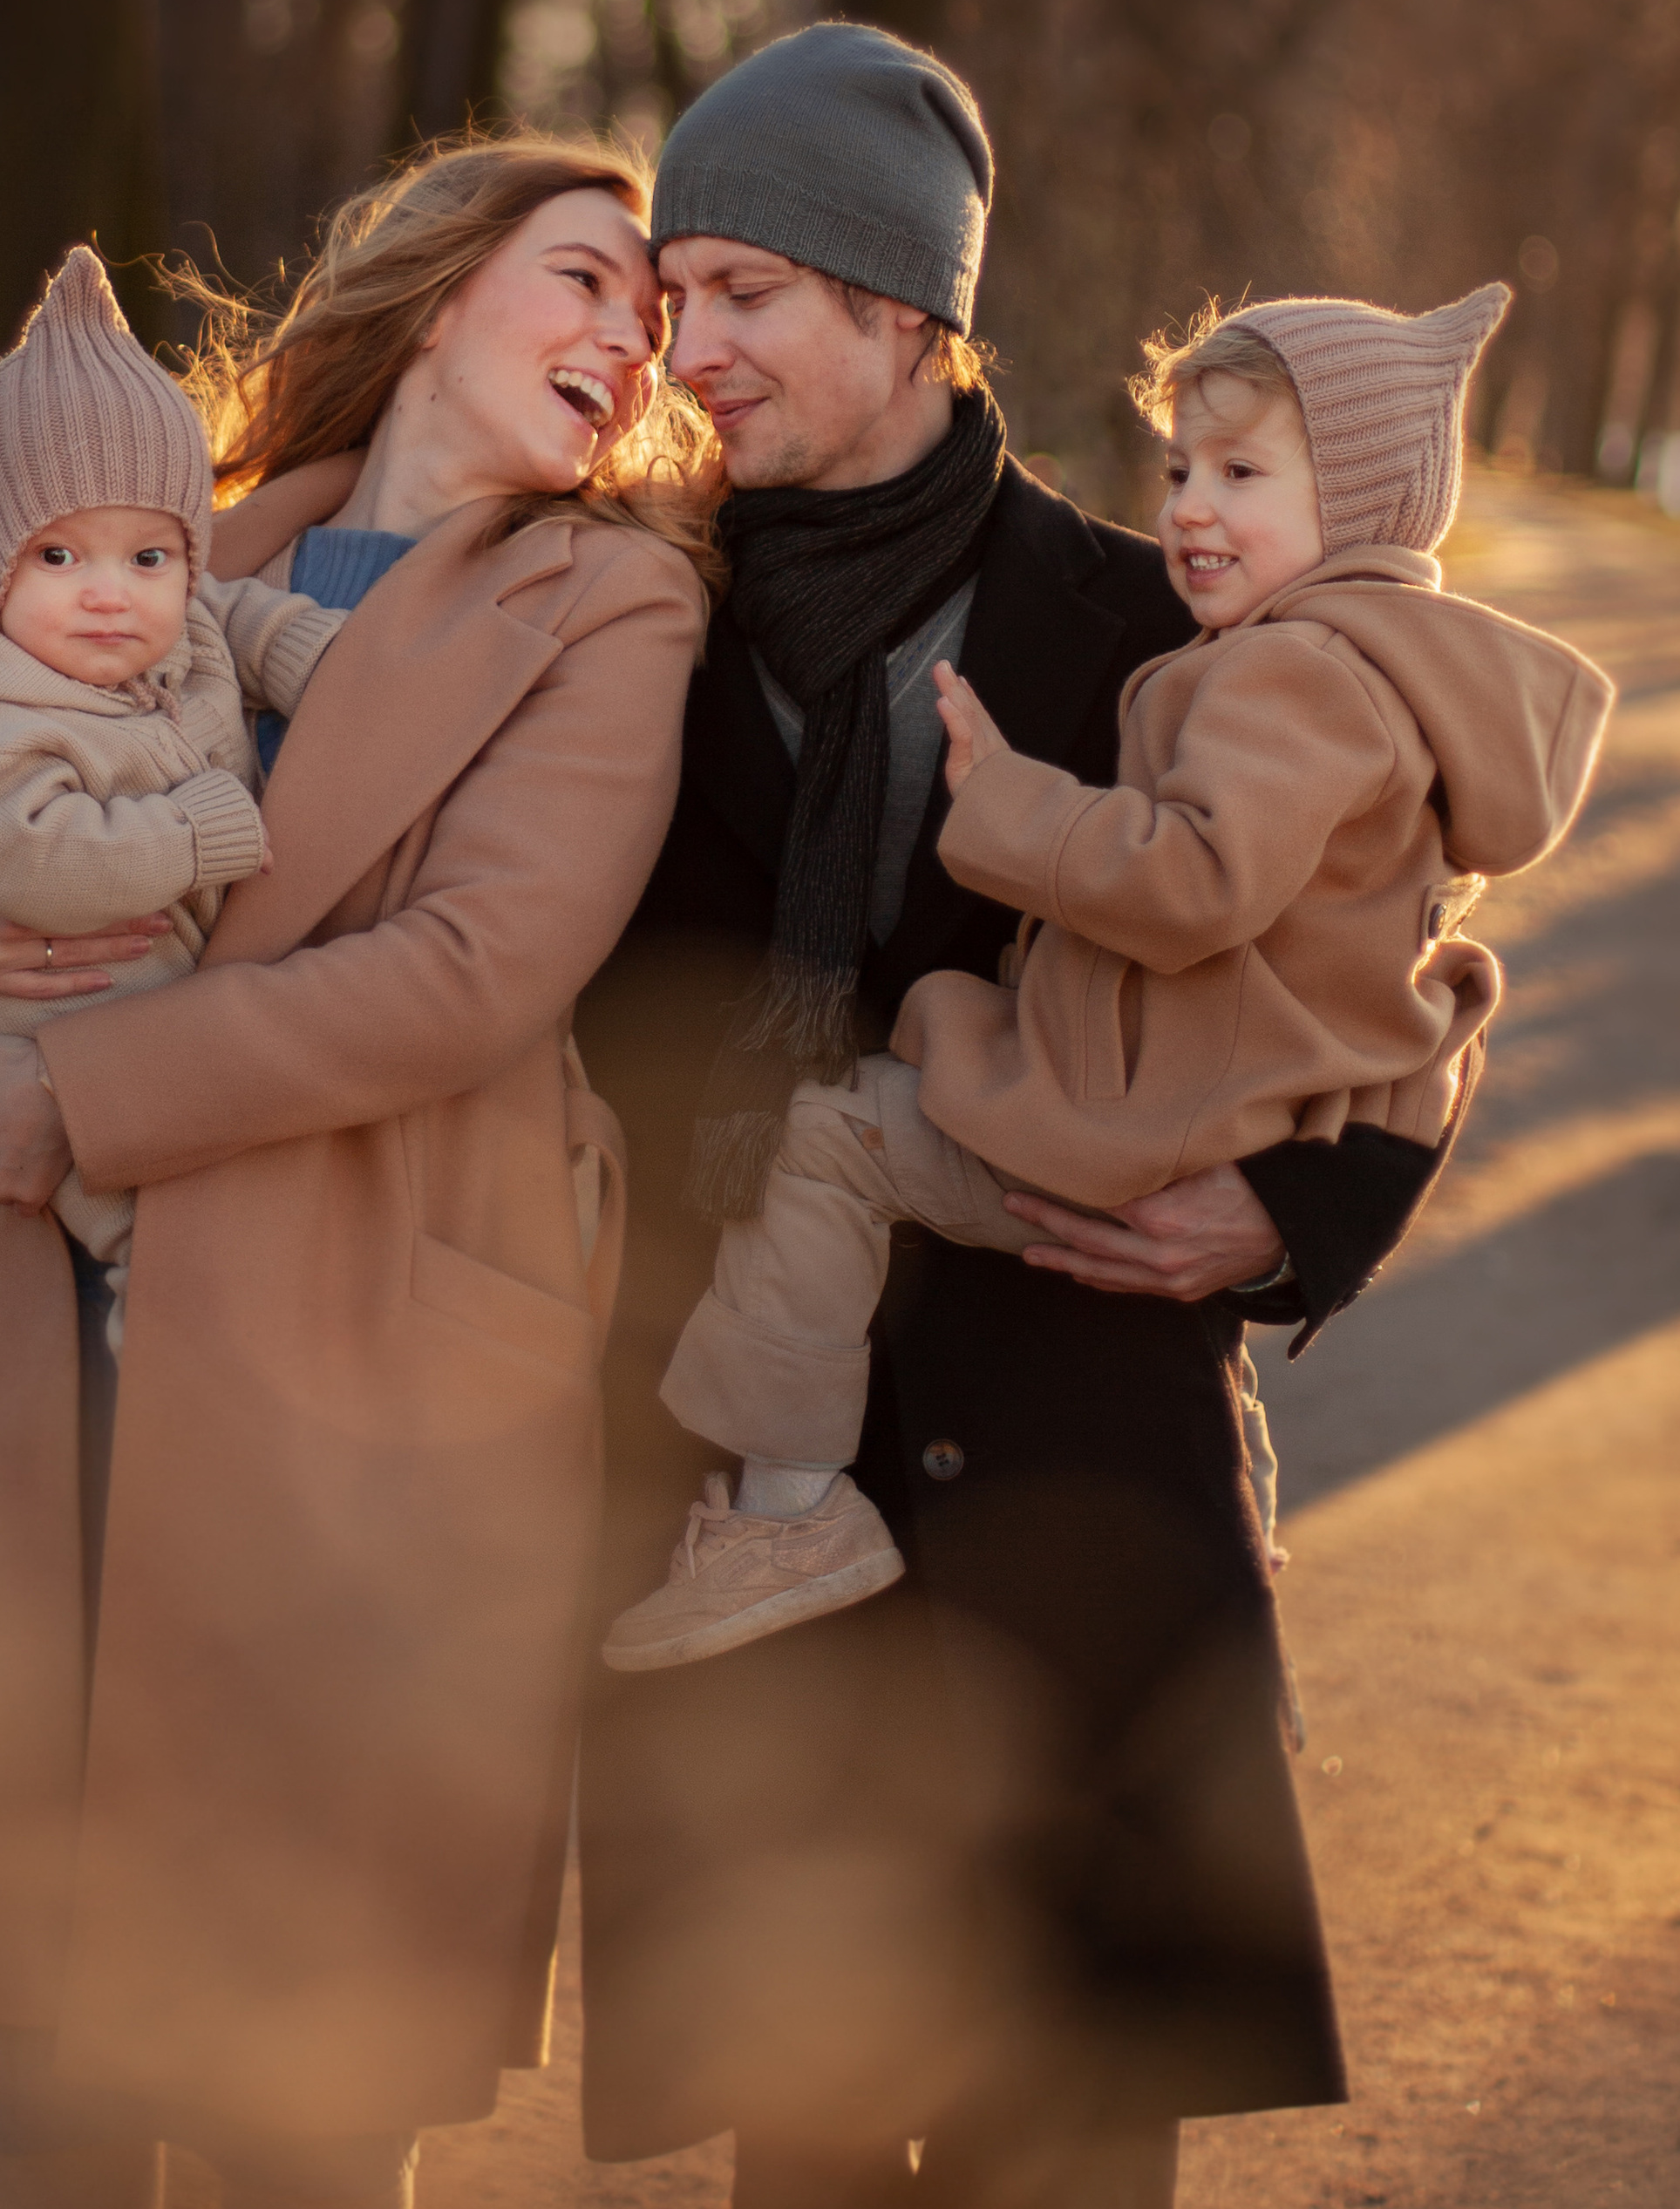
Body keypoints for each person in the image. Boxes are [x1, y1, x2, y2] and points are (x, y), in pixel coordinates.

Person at [572, 21, 1493, 2209]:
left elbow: (1388, 960)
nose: (692, 347)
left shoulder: (1145, 619)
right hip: (762, 1520)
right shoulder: (633, 629)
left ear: (904, 307)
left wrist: (1286, 1218)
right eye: (671, 295)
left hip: (1077, 1498)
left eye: (745, 290)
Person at [0, 138, 714, 2209]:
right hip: (56, 1353)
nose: (631, 342)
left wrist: (77, 1093)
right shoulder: (175, 533)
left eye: (652, 319)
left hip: (361, 1371)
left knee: (315, 2061)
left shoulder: (608, 606)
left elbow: (477, 965)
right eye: (584, 279)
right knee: (36, 2029)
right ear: (439, 289)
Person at [605, 282, 1612, 1669]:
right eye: (1183, 469)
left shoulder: (1271, 667)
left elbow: (1217, 893)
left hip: (1118, 1209)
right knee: (908, 1062)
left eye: (1242, 475)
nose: (1191, 507)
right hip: (1140, 1107)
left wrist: (1006, 803)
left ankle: (783, 1509)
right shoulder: (1338, 664)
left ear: (900, 302)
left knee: (828, 1132)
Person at [0, 241, 350, 1332]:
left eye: (147, 558)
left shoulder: (174, 628)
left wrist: (312, 651)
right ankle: (155, 1342)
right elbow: (34, 861)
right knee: (153, 1238)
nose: (109, 595)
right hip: (57, 1027)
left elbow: (232, 617)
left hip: (167, 1026)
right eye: (58, 557)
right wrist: (193, 833)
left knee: (226, 1218)